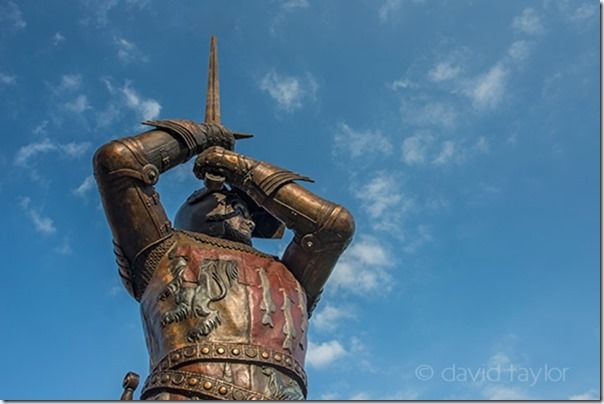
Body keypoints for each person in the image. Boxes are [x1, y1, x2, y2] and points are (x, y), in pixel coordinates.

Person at [93, 117, 355, 400]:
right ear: (201, 210)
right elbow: (118, 161)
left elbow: (333, 227)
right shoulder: (163, 252)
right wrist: (202, 137)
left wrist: (237, 169)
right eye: (239, 209)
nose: (250, 223)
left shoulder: (291, 273)